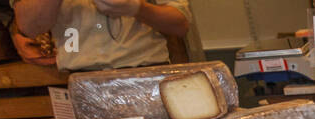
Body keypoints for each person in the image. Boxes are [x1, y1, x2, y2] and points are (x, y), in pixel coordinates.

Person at [12, 0, 191, 72]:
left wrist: (138, 8)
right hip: (79, 80)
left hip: (146, 73)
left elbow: (180, 24)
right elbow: (29, 26)